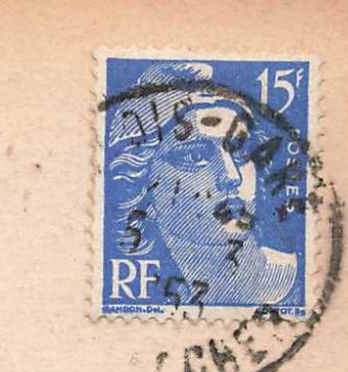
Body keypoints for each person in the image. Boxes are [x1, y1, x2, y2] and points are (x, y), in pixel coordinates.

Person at [105, 61, 299, 307]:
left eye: (240, 151)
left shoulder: (282, 279)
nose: (231, 177)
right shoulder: (153, 288)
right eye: (195, 156)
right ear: (141, 184)